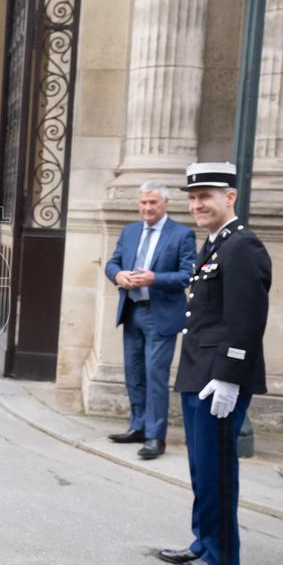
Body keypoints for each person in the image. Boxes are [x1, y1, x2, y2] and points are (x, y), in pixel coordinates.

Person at [158, 162, 271, 565]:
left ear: (230, 197)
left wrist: (228, 375)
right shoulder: (216, 244)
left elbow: (246, 318)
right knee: (202, 467)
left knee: (217, 467)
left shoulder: (242, 246)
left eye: (206, 195)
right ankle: (205, 541)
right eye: (192, 197)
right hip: (199, 373)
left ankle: (222, 558)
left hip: (217, 377)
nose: (197, 204)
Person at [104, 182, 196, 460]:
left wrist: (155, 279)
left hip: (161, 315)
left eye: (153, 202)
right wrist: (118, 276)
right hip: (132, 311)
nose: (147, 208)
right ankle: (138, 426)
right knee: (134, 373)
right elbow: (113, 262)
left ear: (165, 204)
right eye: (143, 203)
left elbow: (187, 275)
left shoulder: (182, 234)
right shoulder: (130, 231)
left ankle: (156, 437)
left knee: (155, 376)